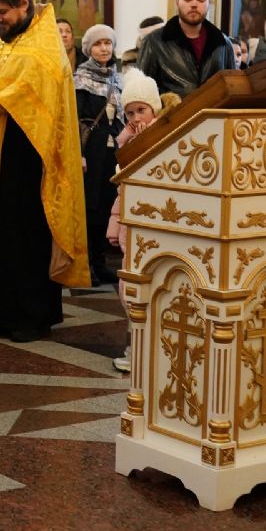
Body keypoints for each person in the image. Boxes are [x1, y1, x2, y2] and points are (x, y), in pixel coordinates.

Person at [0, 0, 90, 342]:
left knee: (25, 236)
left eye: (3, 12)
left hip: (29, 160)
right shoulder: (2, 44)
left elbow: (40, 91)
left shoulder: (44, 47)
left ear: (23, 5)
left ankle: (29, 317)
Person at [106, 68, 175, 372]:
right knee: (129, 287)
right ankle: (136, 345)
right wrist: (114, 224)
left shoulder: (165, 136)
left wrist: (143, 140)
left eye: (141, 110)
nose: (136, 118)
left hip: (154, 224)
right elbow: (122, 188)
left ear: (155, 109)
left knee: (151, 287)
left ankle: (150, 349)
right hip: (131, 225)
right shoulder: (126, 142)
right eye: (130, 112)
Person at [75, 22, 123, 284]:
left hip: (112, 151)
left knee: (106, 205)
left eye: (108, 43)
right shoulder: (80, 78)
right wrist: (78, 153)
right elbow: (75, 120)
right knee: (89, 207)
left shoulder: (117, 78)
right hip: (90, 152)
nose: (104, 48)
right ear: (88, 49)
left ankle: (100, 261)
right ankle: (85, 264)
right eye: (98, 44)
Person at [136, 0, 235, 97]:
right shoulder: (154, 41)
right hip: (173, 108)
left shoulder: (223, 43)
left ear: (209, 3)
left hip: (214, 108)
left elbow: (233, 87)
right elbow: (141, 90)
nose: (194, 4)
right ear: (177, 3)